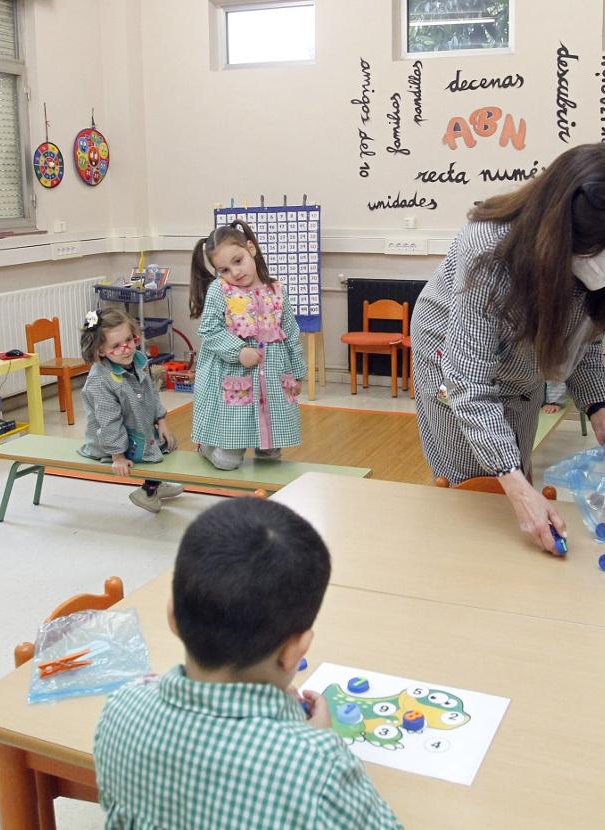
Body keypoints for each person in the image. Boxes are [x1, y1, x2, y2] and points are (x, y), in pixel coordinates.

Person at [94, 498, 404, 829]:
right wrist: (319, 746)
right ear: (295, 651)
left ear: (173, 617)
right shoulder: (318, 769)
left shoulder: (121, 707)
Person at [411, 143, 605, 553]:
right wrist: (518, 488)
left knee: (516, 469)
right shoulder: (489, 249)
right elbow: (467, 381)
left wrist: (601, 414)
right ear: (562, 233)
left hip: (520, 365)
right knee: (475, 488)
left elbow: (581, 341)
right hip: (450, 361)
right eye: (603, 246)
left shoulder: (595, 257)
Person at [189, 220, 306, 470]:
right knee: (227, 461)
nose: (235, 272)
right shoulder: (220, 290)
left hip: (273, 381)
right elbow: (209, 330)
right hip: (237, 379)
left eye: (238, 261)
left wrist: (298, 373)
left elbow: (291, 332)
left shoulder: (276, 290)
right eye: (224, 269)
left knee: (271, 458)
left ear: (251, 249)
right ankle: (206, 447)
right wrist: (239, 351)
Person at [78, 308, 182, 513]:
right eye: (116, 346)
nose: (126, 349)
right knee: (151, 453)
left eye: (129, 340)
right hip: (110, 441)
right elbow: (108, 422)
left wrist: (161, 420)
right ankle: (148, 491)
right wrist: (117, 456)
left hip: (136, 427)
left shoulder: (138, 360)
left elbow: (151, 392)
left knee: (168, 443)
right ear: (100, 350)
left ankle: (156, 485)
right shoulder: (100, 380)